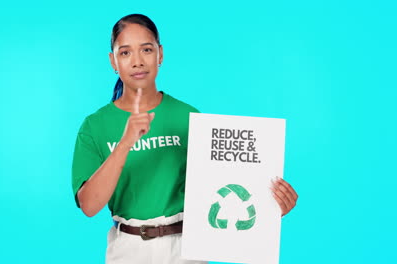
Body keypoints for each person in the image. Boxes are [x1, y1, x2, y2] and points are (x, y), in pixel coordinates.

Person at [71, 14, 298, 264]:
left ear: (160, 54)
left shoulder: (188, 117)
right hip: (129, 250)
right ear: (113, 60)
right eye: (125, 53)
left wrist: (269, 206)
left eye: (146, 50)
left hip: (187, 248)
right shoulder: (95, 126)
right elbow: (89, 206)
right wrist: (125, 143)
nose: (137, 61)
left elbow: (223, 182)